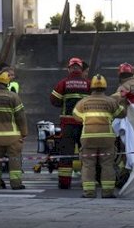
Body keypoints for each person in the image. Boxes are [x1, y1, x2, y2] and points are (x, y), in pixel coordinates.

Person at [73, 74, 127, 198]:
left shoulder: (83, 102)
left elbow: (76, 117)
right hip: (106, 139)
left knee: (88, 164)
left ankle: (89, 192)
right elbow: (122, 113)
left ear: (91, 87)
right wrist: (121, 100)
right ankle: (107, 192)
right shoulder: (110, 102)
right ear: (105, 87)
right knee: (107, 164)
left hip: (88, 138)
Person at [50, 57, 91, 189]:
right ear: (80, 69)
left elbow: (54, 100)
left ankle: (64, 182)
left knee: (66, 154)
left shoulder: (63, 83)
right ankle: (89, 181)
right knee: (86, 153)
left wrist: (64, 103)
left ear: (69, 69)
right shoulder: (88, 83)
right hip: (84, 124)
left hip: (67, 125)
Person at [0, 71, 28, 190]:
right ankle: (16, 184)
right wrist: (24, 132)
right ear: (8, 82)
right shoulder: (13, 97)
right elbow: (20, 116)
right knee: (14, 159)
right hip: (12, 136)